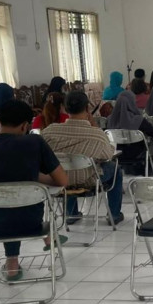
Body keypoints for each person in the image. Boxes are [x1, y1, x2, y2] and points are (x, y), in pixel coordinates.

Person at [0, 100, 68, 280]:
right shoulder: (35, 142)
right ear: (25, 126)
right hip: (31, 222)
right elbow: (62, 181)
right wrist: (33, 178)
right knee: (19, 203)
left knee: (1, 205)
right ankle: (49, 237)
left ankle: (12, 264)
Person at [42, 92, 126, 225]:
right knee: (115, 168)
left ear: (64, 108)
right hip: (88, 181)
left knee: (65, 167)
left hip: (58, 180)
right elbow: (108, 155)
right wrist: (94, 126)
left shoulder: (49, 131)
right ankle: (114, 215)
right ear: (87, 108)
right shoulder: (96, 134)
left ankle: (71, 214)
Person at [108, 91, 153, 175]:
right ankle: (151, 173)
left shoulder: (109, 120)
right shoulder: (138, 120)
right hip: (137, 154)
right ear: (132, 103)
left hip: (117, 154)